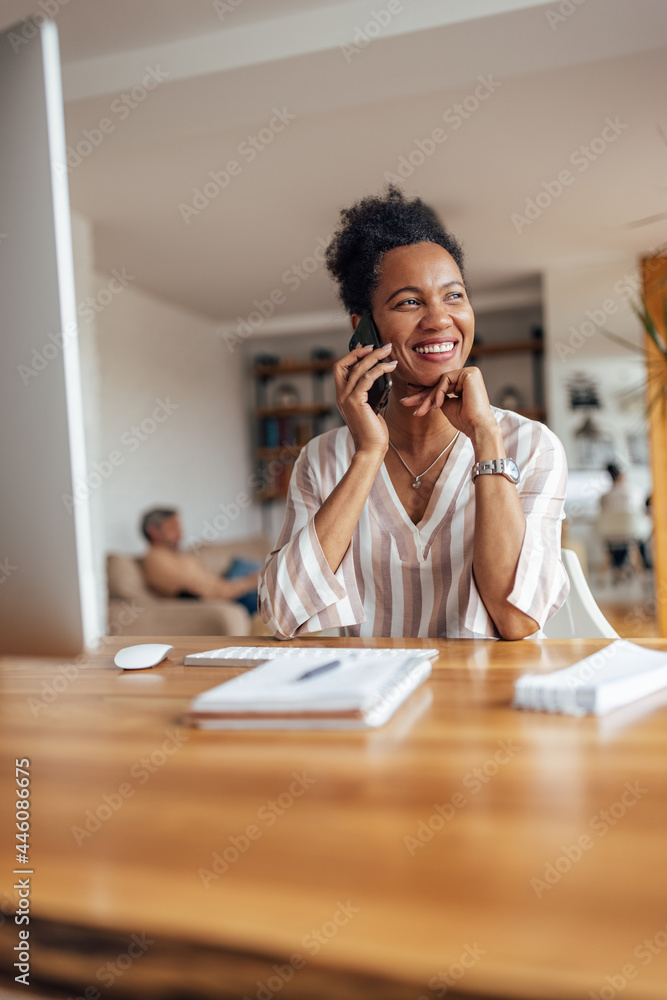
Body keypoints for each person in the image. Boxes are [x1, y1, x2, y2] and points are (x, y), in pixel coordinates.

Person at [259, 187, 569, 639]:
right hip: (367, 701)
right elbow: (283, 615)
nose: (439, 319)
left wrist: (485, 434)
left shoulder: (531, 445)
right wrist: (368, 453)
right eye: (409, 302)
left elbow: (517, 618)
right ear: (364, 327)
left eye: (454, 296)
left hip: (490, 702)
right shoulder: (323, 459)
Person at [141, 508, 259, 610]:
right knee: (265, 578)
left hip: (228, 588)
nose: (180, 534)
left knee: (247, 566)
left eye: (179, 528)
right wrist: (248, 582)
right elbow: (206, 591)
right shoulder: (157, 561)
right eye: (173, 528)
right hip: (228, 596)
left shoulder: (177, 556)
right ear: (154, 532)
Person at [598, 465, 652, 576]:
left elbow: (602, 515)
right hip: (632, 533)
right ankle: (644, 565)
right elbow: (642, 512)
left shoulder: (604, 496)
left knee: (617, 536)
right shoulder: (635, 491)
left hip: (610, 536)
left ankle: (619, 565)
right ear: (622, 476)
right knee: (635, 535)